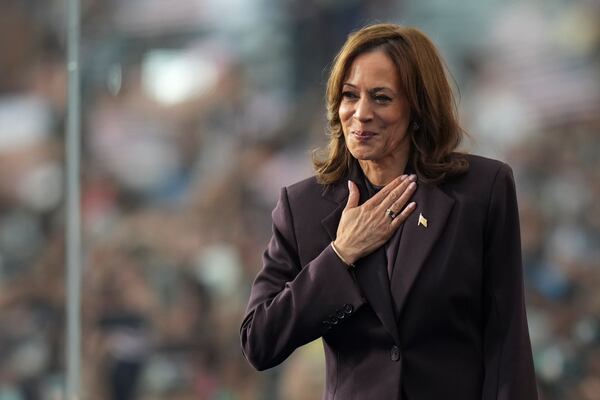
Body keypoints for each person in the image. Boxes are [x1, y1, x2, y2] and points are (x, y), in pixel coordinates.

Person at [240, 23, 538, 399]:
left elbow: (507, 339)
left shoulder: (482, 190)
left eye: (381, 97)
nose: (361, 113)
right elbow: (259, 341)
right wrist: (340, 254)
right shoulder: (302, 206)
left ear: (417, 107)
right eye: (350, 95)